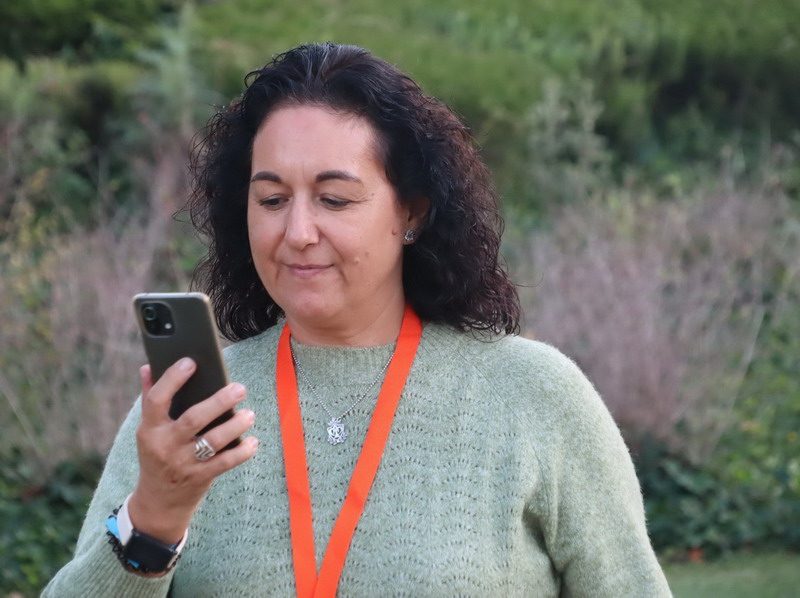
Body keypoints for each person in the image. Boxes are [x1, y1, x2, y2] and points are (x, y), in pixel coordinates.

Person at [44, 42, 671, 597]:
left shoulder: (535, 396)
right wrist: (154, 519)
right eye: (271, 199)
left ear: (411, 213)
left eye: (334, 199)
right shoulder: (186, 413)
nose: (297, 231)